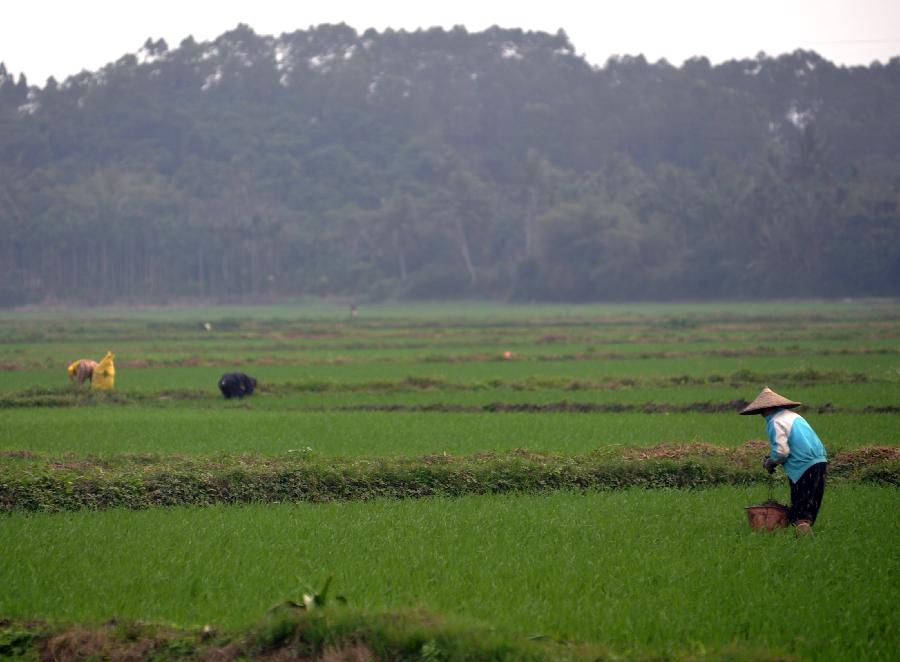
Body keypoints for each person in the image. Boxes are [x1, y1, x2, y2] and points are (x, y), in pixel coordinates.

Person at [740, 386, 828, 534]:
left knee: (800, 511)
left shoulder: (775, 421)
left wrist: (770, 462)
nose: (762, 415)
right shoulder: (795, 416)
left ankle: (804, 543)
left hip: (802, 466)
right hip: (820, 462)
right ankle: (804, 539)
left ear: (766, 409)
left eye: (762, 411)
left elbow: (781, 452)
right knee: (809, 506)